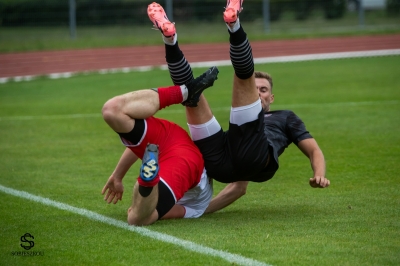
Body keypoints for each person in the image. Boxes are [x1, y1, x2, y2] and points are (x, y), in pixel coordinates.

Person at [147, 0, 330, 215]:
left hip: (255, 158)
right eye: (255, 89)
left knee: (242, 81)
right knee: (190, 96)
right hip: (222, 162)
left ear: (271, 98)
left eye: (263, 90)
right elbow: (238, 187)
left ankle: (233, 24)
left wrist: (320, 173)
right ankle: (171, 38)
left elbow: (313, 150)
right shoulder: (245, 119)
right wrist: (201, 211)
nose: (258, 93)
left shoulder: (286, 117)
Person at [100, 60, 219, 225]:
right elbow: (157, 213)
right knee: (137, 217)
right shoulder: (197, 207)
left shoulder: (198, 206)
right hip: (186, 162)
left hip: (175, 138)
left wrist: (118, 176)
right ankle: (148, 182)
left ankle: (183, 92)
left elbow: (140, 148)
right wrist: (139, 205)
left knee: (112, 111)